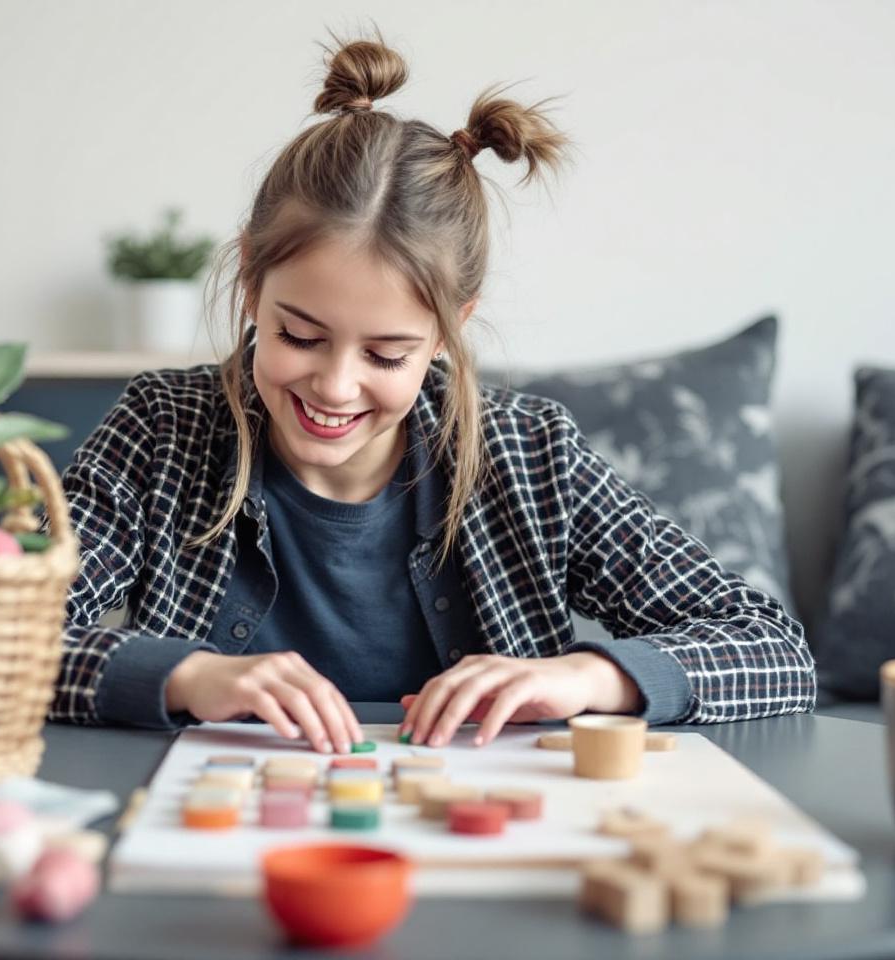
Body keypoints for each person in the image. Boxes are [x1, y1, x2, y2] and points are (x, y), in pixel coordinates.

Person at [47, 30, 815, 754]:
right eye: (300, 337)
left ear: (448, 330)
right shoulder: (161, 430)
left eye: (387, 354)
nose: (336, 385)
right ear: (250, 279)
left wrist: (585, 676)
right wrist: (186, 674)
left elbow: (771, 646)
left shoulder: (532, 456)